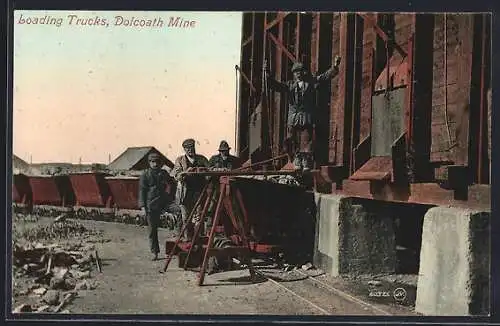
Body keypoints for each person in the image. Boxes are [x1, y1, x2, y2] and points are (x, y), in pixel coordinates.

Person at [263, 55, 341, 171]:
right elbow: (276, 85)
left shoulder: (311, 83)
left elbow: (324, 77)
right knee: (290, 140)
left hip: (306, 117)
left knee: (307, 141)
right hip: (293, 118)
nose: (298, 74)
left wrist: (335, 67)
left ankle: (305, 162)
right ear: (293, 74)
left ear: (303, 72)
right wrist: (267, 75)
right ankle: (296, 159)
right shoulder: (289, 85)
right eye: (295, 72)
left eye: (299, 71)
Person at [139, 152, 184, 261]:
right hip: (151, 205)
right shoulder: (145, 174)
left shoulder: (163, 173)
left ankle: (178, 237)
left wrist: (170, 195)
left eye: (157, 162)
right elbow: (142, 191)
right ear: (149, 163)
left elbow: (172, 183)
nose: (155, 164)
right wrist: (143, 207)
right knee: (152, 230)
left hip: (164, 202)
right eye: (153, 162)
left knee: (180, 211)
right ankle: (155, 252)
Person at [170, 138, 209, 240]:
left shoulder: (202, 159)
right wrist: (186, 172)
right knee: (186, 218)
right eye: (187, 148)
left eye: (192, 147)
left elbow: (209, 171)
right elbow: (176, 175)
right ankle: (188, 238)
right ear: (184, 149)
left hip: (199, 192)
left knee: (199, 217)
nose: (190, 150)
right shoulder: (180, 160)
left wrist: (204, 170)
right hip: (185, 194)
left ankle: (198, 238)